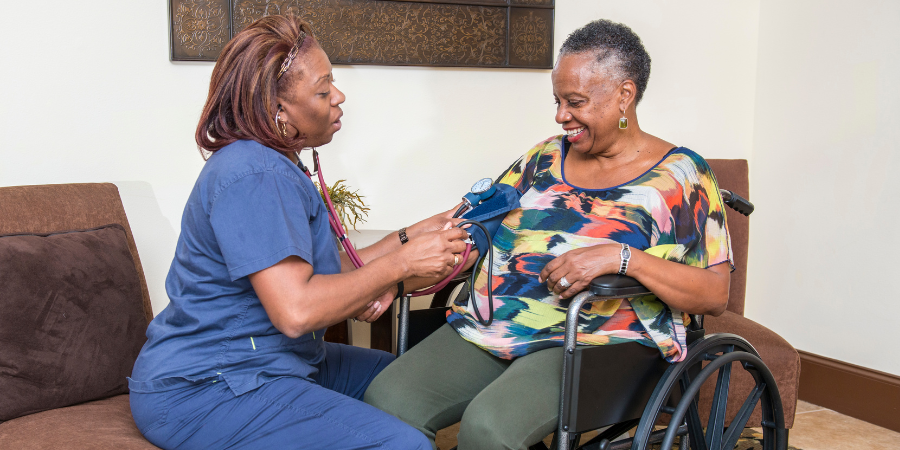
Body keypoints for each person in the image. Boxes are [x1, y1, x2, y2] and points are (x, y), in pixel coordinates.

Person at [364, 19, 734, 450]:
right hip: (491, 326)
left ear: (624, 96)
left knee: (488, 429)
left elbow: (714, 294)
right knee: (387, 402)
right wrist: (398, 278)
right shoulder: (542, 157)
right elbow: (474, 231)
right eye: (558, 101)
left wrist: (621, 257)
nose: (561, 116)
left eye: (574, 101)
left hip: (593, 343)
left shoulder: (681, 177)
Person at [128, 15, 469, 450]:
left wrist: (409, 235)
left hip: (273, 361)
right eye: (324, 91)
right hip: (207, 386)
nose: (339, 97)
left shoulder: (275, 163)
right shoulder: (254, 175)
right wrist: (401, 263)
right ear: (279, 109)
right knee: (403, 445)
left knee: (409, 384)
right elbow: (297, 310)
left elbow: (326, 270)